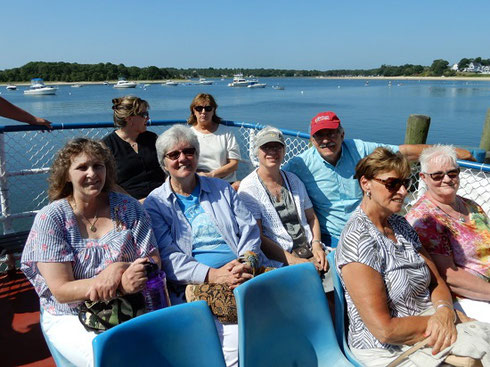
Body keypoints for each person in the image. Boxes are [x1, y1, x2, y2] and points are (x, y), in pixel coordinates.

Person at [21, 138, 161, 366]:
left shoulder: (128, 208)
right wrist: (115, 283)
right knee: (112, 358)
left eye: (98, 166)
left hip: (130, 305)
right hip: (70, 314)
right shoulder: (52, 219)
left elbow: (153, 259)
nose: (92, 173)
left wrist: (119, 268)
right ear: (67, 175)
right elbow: (61, 290)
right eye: (82, 167)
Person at [144, 125, 264, 367]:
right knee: (236, 341)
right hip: (197, 284)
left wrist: (245, 263)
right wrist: (213, 275)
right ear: (163, 162)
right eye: (173, 155)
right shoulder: (156, 203)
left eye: (189, 151)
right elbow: (168, 257)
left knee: (279, 312)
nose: (182, 159)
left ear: (197, 155)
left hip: (241, 271)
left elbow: (249, 229)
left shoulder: (221, 189)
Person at [336, 147, 461, 366]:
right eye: (392, 184)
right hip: (386, 349)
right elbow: (385, 330)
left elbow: (436, 281)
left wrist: (444, 310)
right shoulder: (359, 240)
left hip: (429, 323)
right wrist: (439, 320)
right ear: (366, 184)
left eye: (406, 183)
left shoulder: (400, 223)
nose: (403, 191)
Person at [284, 111, 474, 247]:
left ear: (342, 134)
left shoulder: (358, 149)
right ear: (312, 139)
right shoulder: (300, 165)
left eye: (331, 133)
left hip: (371, 228)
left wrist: (452, 152)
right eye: (319, 136)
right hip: (332, 237)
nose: (326, 140)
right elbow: (273, 182)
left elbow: (404, 152)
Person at [406, 145, 490, 322]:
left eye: (452, 173)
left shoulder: (470, 206)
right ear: (423, 178)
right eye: (437, 175)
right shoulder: (425, 219)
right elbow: (449, 277)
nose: (446, 179)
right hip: (468, 298)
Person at [238, 126, 327, 271]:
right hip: (279, 260)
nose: (272, 152)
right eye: (266, 147)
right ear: (257, 152)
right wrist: (294, 261)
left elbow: (312, 217)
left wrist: (317, 244)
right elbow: (258, 237)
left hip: (308, 250)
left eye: (277, 147)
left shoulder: (294, 180)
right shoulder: (249, 189)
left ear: (284, 151)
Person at [102, 96, 166, 201]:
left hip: (161, 199)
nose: (148, 118)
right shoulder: (108, 146)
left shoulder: (152, 139)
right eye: (144, 115)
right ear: (129, 119)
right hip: (127, 203)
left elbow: (166, 168)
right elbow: (109, 182)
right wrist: (134, 202)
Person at [187, 93, 241, 184]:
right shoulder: (188, 134)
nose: (203, 112)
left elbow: (234, 164)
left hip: (224, 182)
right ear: (194, 111)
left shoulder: (226, 132)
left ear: (213, 110)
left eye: (208, 108)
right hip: (197, 182)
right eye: (199, 108)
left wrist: (211, 175)